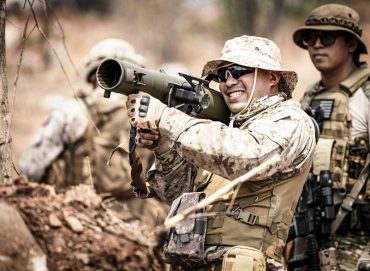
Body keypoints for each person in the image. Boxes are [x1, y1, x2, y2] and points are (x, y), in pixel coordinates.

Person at [124, 35, 316, 270]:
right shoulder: (224, 129)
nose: (229, 81)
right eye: (222, 75)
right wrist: (164, 147)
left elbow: (249, 158)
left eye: (239, 70)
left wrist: (168, 119)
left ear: (273, 77)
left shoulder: (292, 121)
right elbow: (174, 193)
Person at [19, 38, 168, 228]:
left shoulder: (72, 111)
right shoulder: (154, 115)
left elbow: (30, 168)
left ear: (93, 73)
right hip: (138, 224)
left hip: (78, 222)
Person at [289, 4, 370, 270]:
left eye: (327, 37)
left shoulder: (365, 96)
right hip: (309, 241)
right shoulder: (308, 97)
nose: (316, 45)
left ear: (350, 44)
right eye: (309, 39)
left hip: (358, 246)